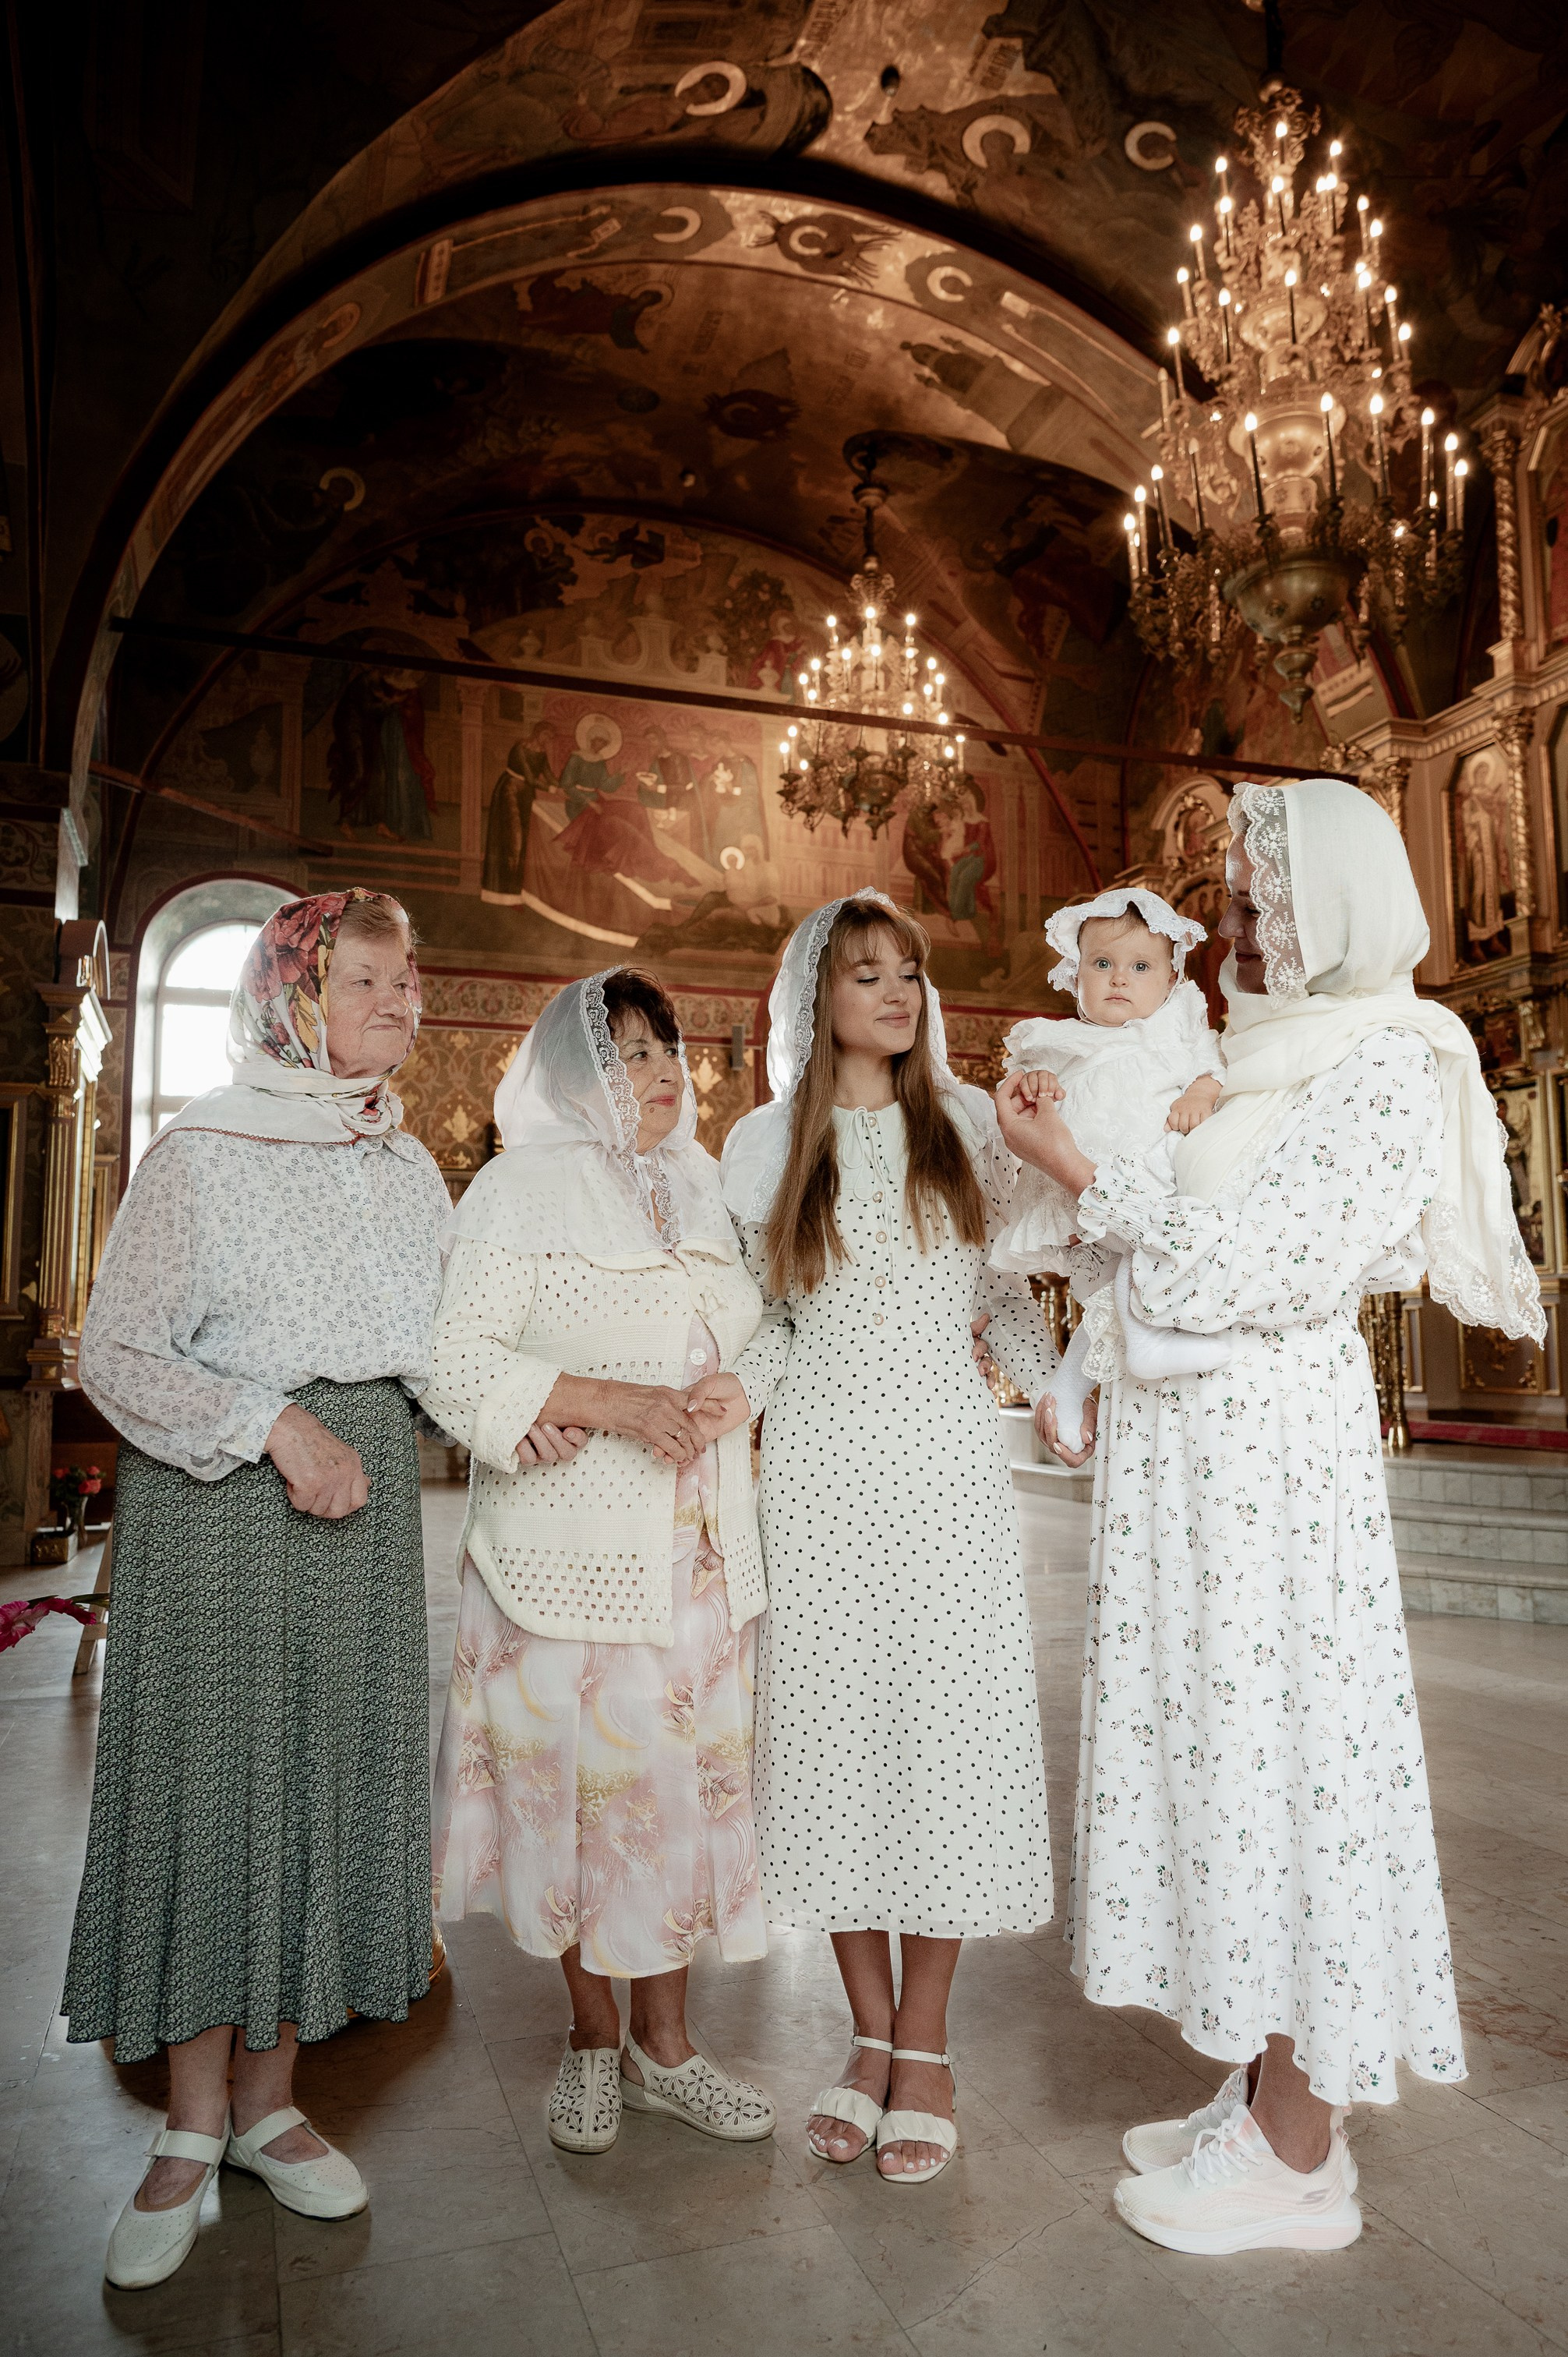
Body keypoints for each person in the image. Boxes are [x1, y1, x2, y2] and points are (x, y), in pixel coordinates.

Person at [996, 780, 1543, 2255]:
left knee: (1287, 1762)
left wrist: (1077, 1172)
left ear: (1338, 902)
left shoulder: (1390, 1058)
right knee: (1217, 1754)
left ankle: (1301, 2154)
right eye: (1233, 901)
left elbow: (1238, 1266)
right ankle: (1261, 2085)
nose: (1229, 926)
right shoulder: (1254, 1051)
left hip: (1272, 1479)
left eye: (1255, 901)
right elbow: (1172, 1245)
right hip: (1193, 1465)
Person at [65, 889, 450, 2290]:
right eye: (367, 978)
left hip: (368, 1505)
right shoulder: (202, 1150)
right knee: (213, 1789)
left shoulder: (404, 1164)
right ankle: (186, 2124)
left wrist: (557, 1397)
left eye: (408, 980)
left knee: (326, 1782)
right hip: (227, 1499)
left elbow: (448, 1342)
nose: (400, 1001)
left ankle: (273, 2103)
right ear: (292, 993)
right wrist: (275, 1427)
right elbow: (119, 1350)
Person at [705, 889, 1057, 2185]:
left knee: (944, 1739)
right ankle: (863, 2033)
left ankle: (927, 2042)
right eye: (866, 974)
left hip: (948, 1468)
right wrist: (715, 1399)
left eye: (908, 970)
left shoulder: (965, 1125)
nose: (897, 992)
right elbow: (759, 1322)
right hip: (817, 1467)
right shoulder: (758, 1145)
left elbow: (1004, 1291)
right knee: (834, 1738)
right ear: (817, 996)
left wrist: (1065, 1391)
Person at [422, 968, 776, 2156]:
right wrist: (608, 1402)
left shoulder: (702, 1184)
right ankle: (589, 2040)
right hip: (562, 1563)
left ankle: (667, 2049)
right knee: (577, 1804)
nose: (663, 1071)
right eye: (628, 1053)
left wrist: (743, 1389)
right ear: (576, 1076)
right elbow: (454, 1361)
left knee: (676, 1803)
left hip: (698, 1558)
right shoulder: (519, 1192)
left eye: (667, 1048)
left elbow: (766, 1322)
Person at [992, 887, 1228, 1454]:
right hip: (1086, 1185)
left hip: (1153, 1180)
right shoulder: (1060, 1040)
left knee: (1139, 1264)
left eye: (1140, 966)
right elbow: (1033, 1090)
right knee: (1108, 1278)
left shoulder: (1182, 1027)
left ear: (1170, 982)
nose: (1119, 978)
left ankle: (1077, 1385)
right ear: (1076, 976)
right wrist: (1040, 1085)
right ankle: (1087, 1380)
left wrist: (1201, 1089)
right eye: (1102, 964)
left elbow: (1217, 1064)